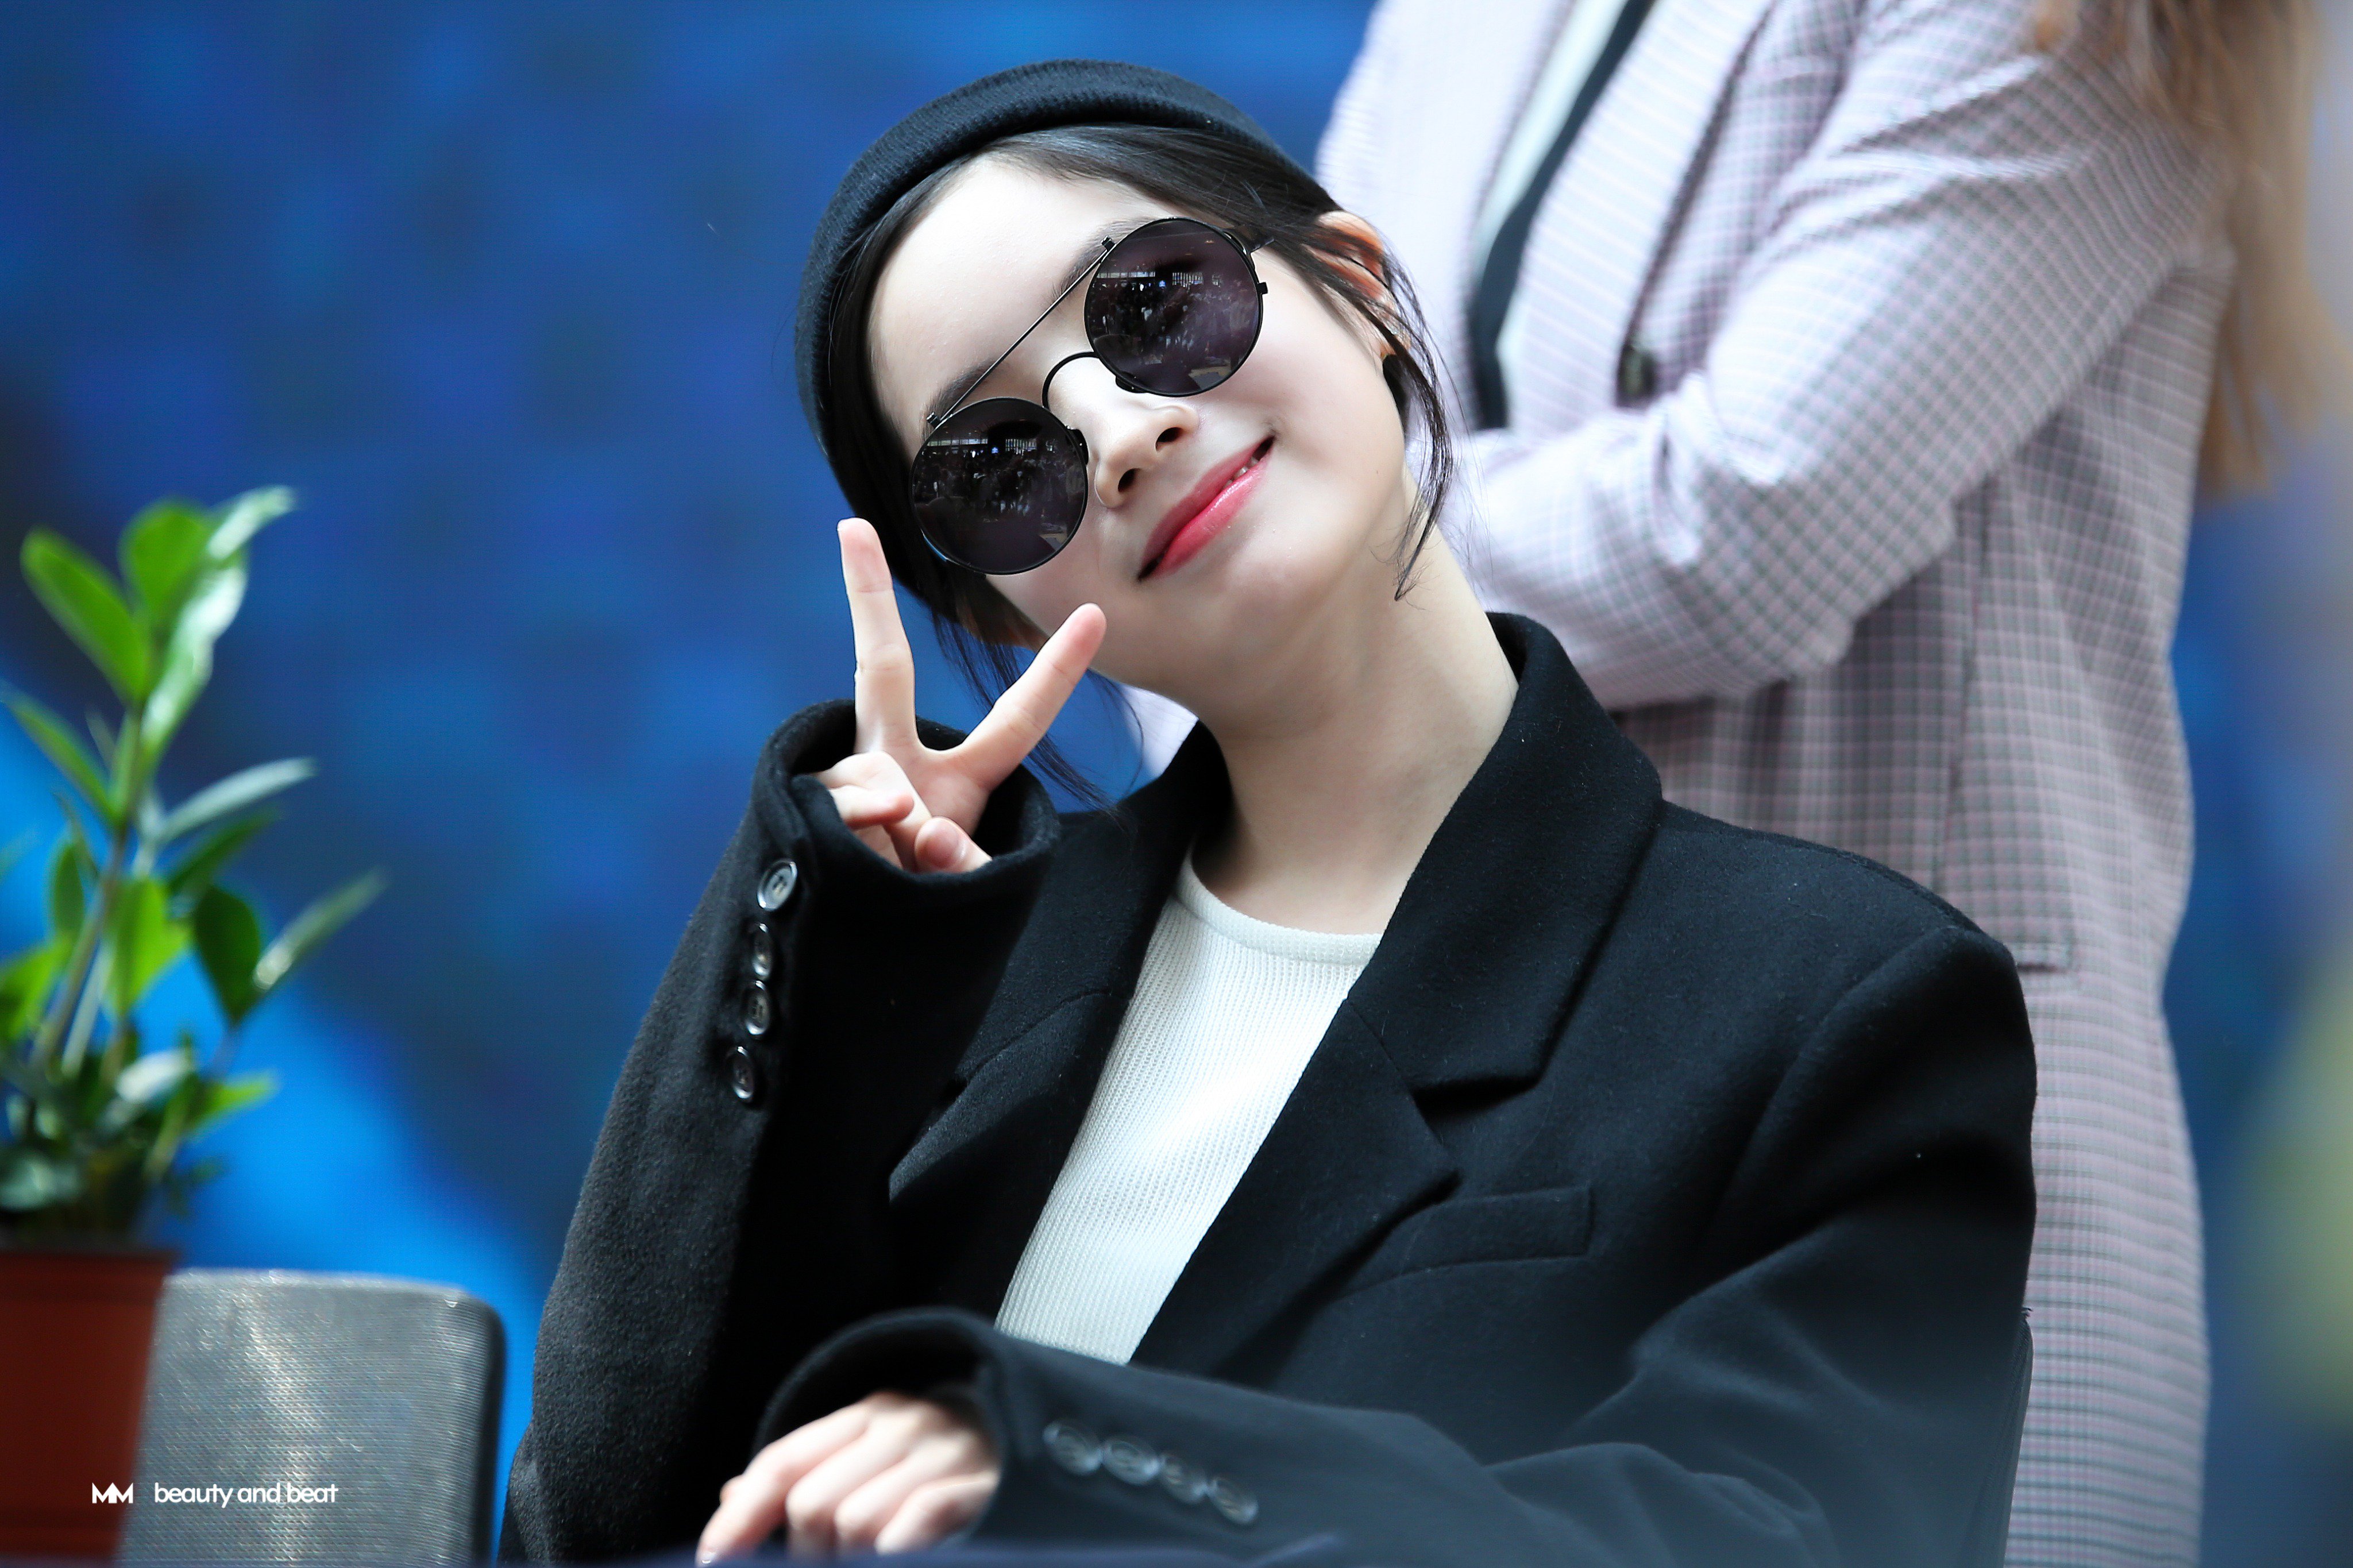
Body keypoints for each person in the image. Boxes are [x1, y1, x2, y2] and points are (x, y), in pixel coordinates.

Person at [501, 63, 2036, 1566]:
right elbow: (599, 1526)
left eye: (1156, 305)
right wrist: (831, 931)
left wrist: (1067, 1449)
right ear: (986, 600)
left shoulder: (1832, 1001)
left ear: (1357, 289)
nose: (1119, 434)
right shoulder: (949, 992)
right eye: (1001, 461)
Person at [1310, 1, 2329, 1563]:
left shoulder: (2060, 20)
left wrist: (1279, 578)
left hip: (1921, 1185)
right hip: (1471, 1172)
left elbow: (1744, 533)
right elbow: (1283, 433)